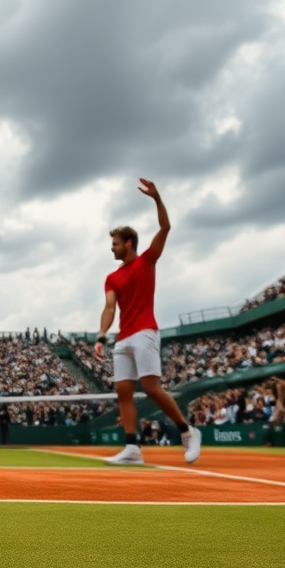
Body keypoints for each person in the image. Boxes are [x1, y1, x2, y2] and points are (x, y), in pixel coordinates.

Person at [93, 178, 199, 465]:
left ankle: (187, 431)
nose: (111, 249)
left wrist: (157, 198)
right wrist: (102, 335)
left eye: (115, 244)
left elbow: (165, 228)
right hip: (123, 338)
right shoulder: (111, 277)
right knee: (123, 393)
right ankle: (132, 448)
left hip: (145, 332)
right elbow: (110, 307)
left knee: (151, 388)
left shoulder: (147, 260)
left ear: (128, 244)